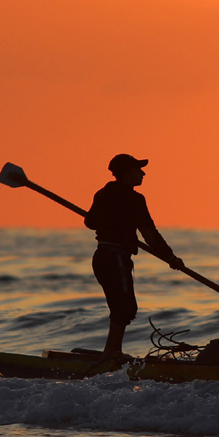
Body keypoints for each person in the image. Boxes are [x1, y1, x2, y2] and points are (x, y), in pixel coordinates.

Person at [84, 154, 184, 363]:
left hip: (102, 258)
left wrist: (114, 222)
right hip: (115, 257)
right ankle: (111, 353)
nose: (143, 173)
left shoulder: (102, 193)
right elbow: (149, 234)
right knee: (124, 307)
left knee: (122, 305)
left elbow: (90, 222)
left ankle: (112, 351)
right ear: (127, 174)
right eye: (138, 170)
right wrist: (171, 257)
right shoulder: (135, 199)